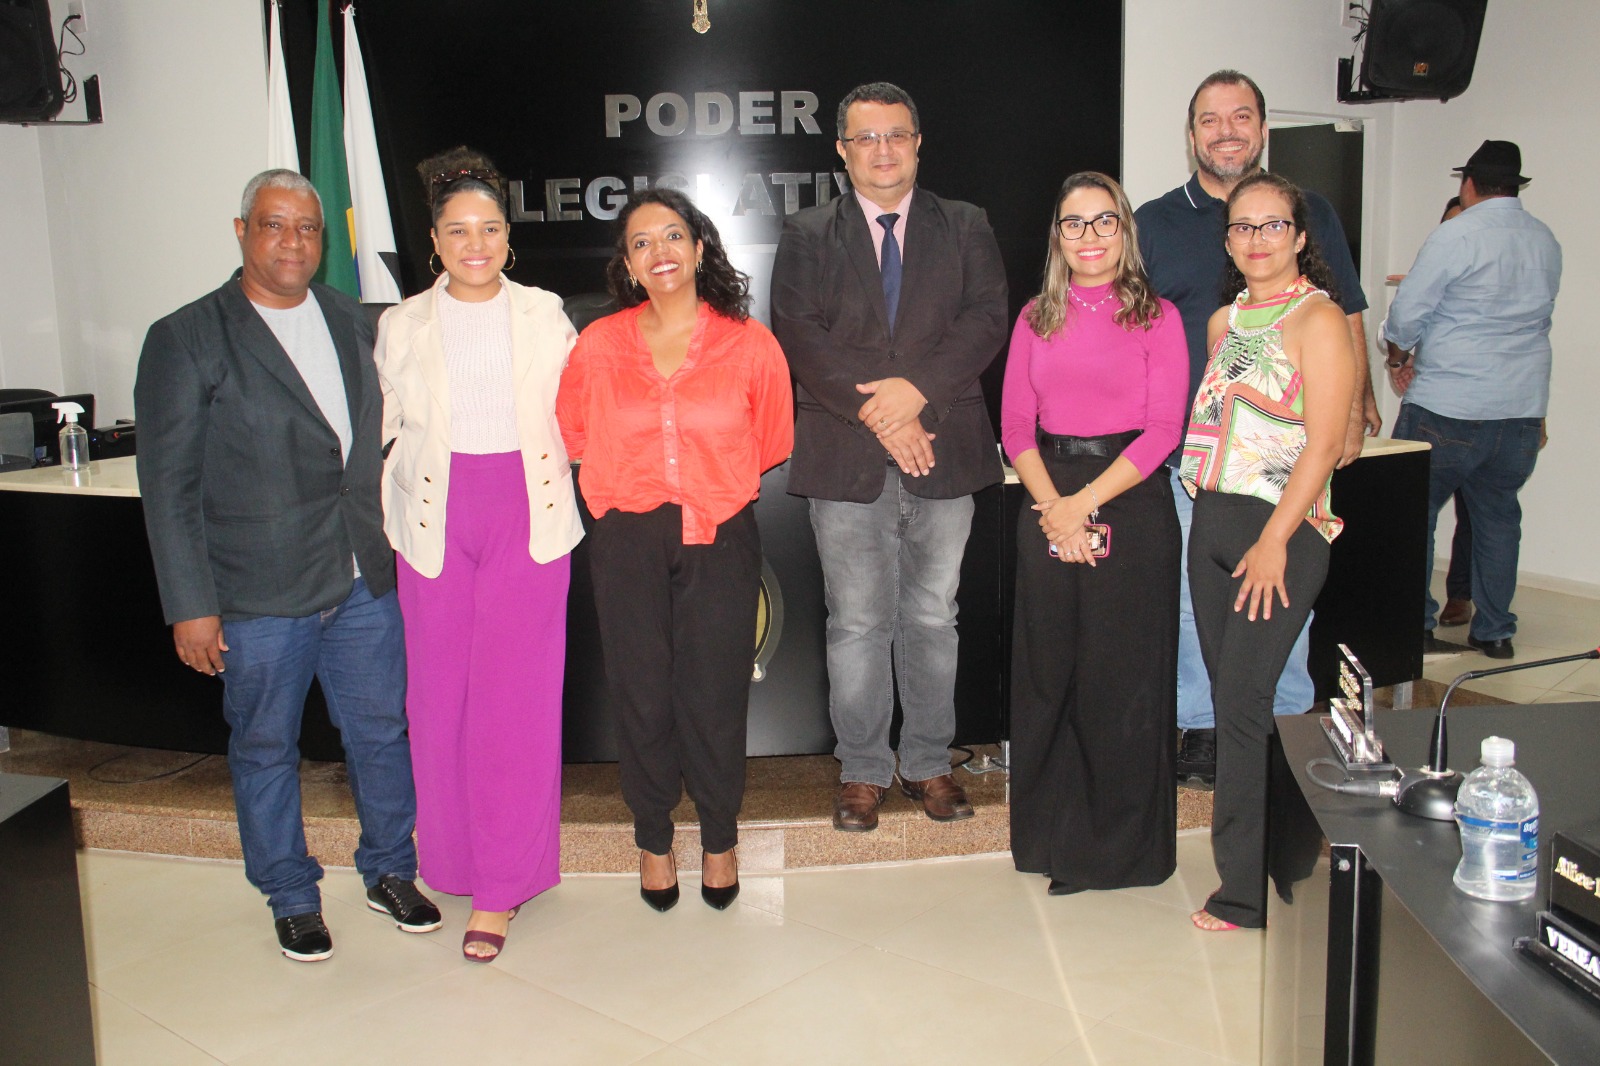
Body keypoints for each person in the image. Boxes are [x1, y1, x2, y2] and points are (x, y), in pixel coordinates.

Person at [135, 170, 439, 962]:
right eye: (274, 225)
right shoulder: (187, 336)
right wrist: (189, 604)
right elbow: (168, 485)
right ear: (242, 231)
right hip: (257, 591)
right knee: (266, 745)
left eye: (307, 227)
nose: (293, 241)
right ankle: (291, 893)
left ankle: (390, 869)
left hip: (362, 576)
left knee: (380, 733)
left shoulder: (354, 318)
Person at [771, 81, 1008, 832]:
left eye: (896, 134)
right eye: (866, 137)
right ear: (842, 151)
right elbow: (798, 330)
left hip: (945, 447)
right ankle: (864, 769)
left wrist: (916, 395)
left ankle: (929, 762)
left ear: (918, 143)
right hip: (846, 457)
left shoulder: (965, 224)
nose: (883, 149)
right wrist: (881, 411)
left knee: (934, 617)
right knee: (857, 623)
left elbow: (986, 319)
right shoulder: (809, 231)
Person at [1134, 69, 1378, 790]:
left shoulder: (1311, 211)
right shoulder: (1156, 221)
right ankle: (1206, 729)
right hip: (1195, 461)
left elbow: (1347, 308)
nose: (1227, 131)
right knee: (1195, 607)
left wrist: (1355, 411)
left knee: (1281, 603)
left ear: (1263, 129)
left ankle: (1286, 728)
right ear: (1191, 136)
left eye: (1241, 116)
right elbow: (1135, 326)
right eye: (1210, 120)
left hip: (1285, 462)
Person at [557, 188, 793, 912]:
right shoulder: (599, 345)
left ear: (698, 247)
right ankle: (653, 840)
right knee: (641, 692)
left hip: (719, 532)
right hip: (627, 537)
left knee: (715, 694)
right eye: (641, 243)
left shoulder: (749, 343)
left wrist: (707, 480)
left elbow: (773, 439)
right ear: (627, 265)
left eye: (671, 237)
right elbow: (572, 432)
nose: (658, 252)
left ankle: (720, 838)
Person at [376, 148, 582, 962]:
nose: (475, 243)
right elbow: (386, 424)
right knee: (437, 702)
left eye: (489, 228)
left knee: (515, 704)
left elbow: (576, 411)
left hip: (527, 513)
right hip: (432, 514)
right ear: (433, 241)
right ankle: (454, 862)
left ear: (507, 237)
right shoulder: (401, 324)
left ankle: (502, 885)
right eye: (458, 230)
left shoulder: (545, 313)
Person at [1001, 172, 1188, 895]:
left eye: (1104, 220)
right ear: (1057, 236)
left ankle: (1117, 850)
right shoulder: (1034, 318)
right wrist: (1057, 508)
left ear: (1124, 229)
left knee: (1122, 680)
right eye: (1074, 223)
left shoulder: (1159, 318)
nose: (1089, 236)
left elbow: (1164, 430)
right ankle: (1052, 840)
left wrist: (1084, 504)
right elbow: (1016, 428)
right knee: (1051, 677)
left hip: (1130, 503)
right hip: (1047, 501)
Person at [1181, 172, 1355, 930]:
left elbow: (1324, 445)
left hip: (1279, 534)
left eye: (1273, 225)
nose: (1257, 239)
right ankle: (1284, 858)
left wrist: (1277, 538)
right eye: (1242, 227)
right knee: (1234, 707)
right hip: (1212, 527)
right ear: (1228, 241)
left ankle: (1244, 893)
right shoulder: (1224, 322)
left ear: (1300, 236)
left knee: (1248, 706)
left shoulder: (1318, 318)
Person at [1386, 140, 1561, 660]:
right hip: (1520, 409)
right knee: (1499, 520)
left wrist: (1397, 357)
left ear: (1469, 184)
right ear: (1515, 186)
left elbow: (1406, 314)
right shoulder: (1545, 239)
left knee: (1410, 514)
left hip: (1448, 405)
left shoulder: (1456, 234)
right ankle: (1495, 631)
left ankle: (1413, 626)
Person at [1386, 196, 1477, 630]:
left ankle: (1462, 598)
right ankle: (1415, 617)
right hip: (1437, 404)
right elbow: (1396, 327)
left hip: (1475, 408)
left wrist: (1399, 356)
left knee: (1477, 514)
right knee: (1414, 511)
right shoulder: (1432, 268)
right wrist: (1401, 361)